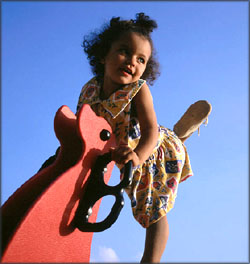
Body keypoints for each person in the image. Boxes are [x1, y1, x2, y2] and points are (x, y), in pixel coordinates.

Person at [75, 13, 211, 263]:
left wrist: (138, 156)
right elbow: (82, 129)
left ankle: (150, 260)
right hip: (121, 150)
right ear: (104, 54)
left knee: (152, 207)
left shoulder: (138, 90)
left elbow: (149, 131)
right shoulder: (90, 90)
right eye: (124, 51)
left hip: (149, 152)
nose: (132, 62)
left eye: (141, 59)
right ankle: (179, 133)